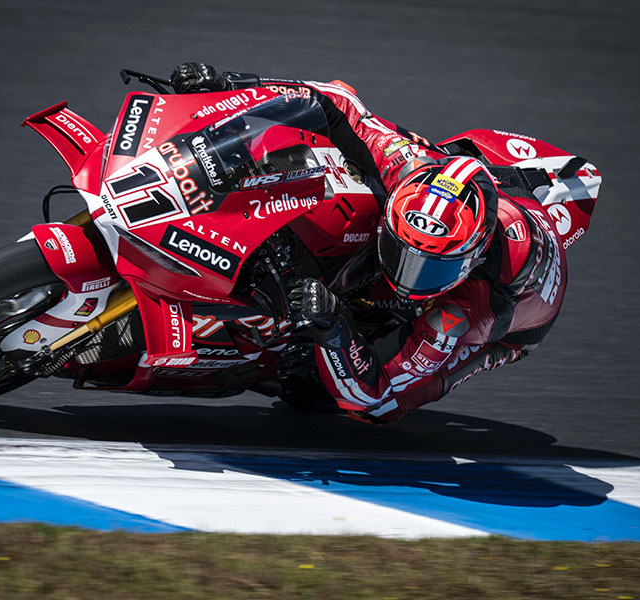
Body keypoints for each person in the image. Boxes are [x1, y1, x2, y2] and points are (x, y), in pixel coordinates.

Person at [170, 62, 567, 423]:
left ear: (470, 259)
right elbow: (334, 100)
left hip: (514, 316)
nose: (408, 276)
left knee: (316, 389)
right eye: (401, 252)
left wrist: (335, 327)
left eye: (431, 268)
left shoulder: (472, 311)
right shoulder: (405, 166)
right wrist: (229, 86)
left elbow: (376, 396)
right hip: (475, 192)